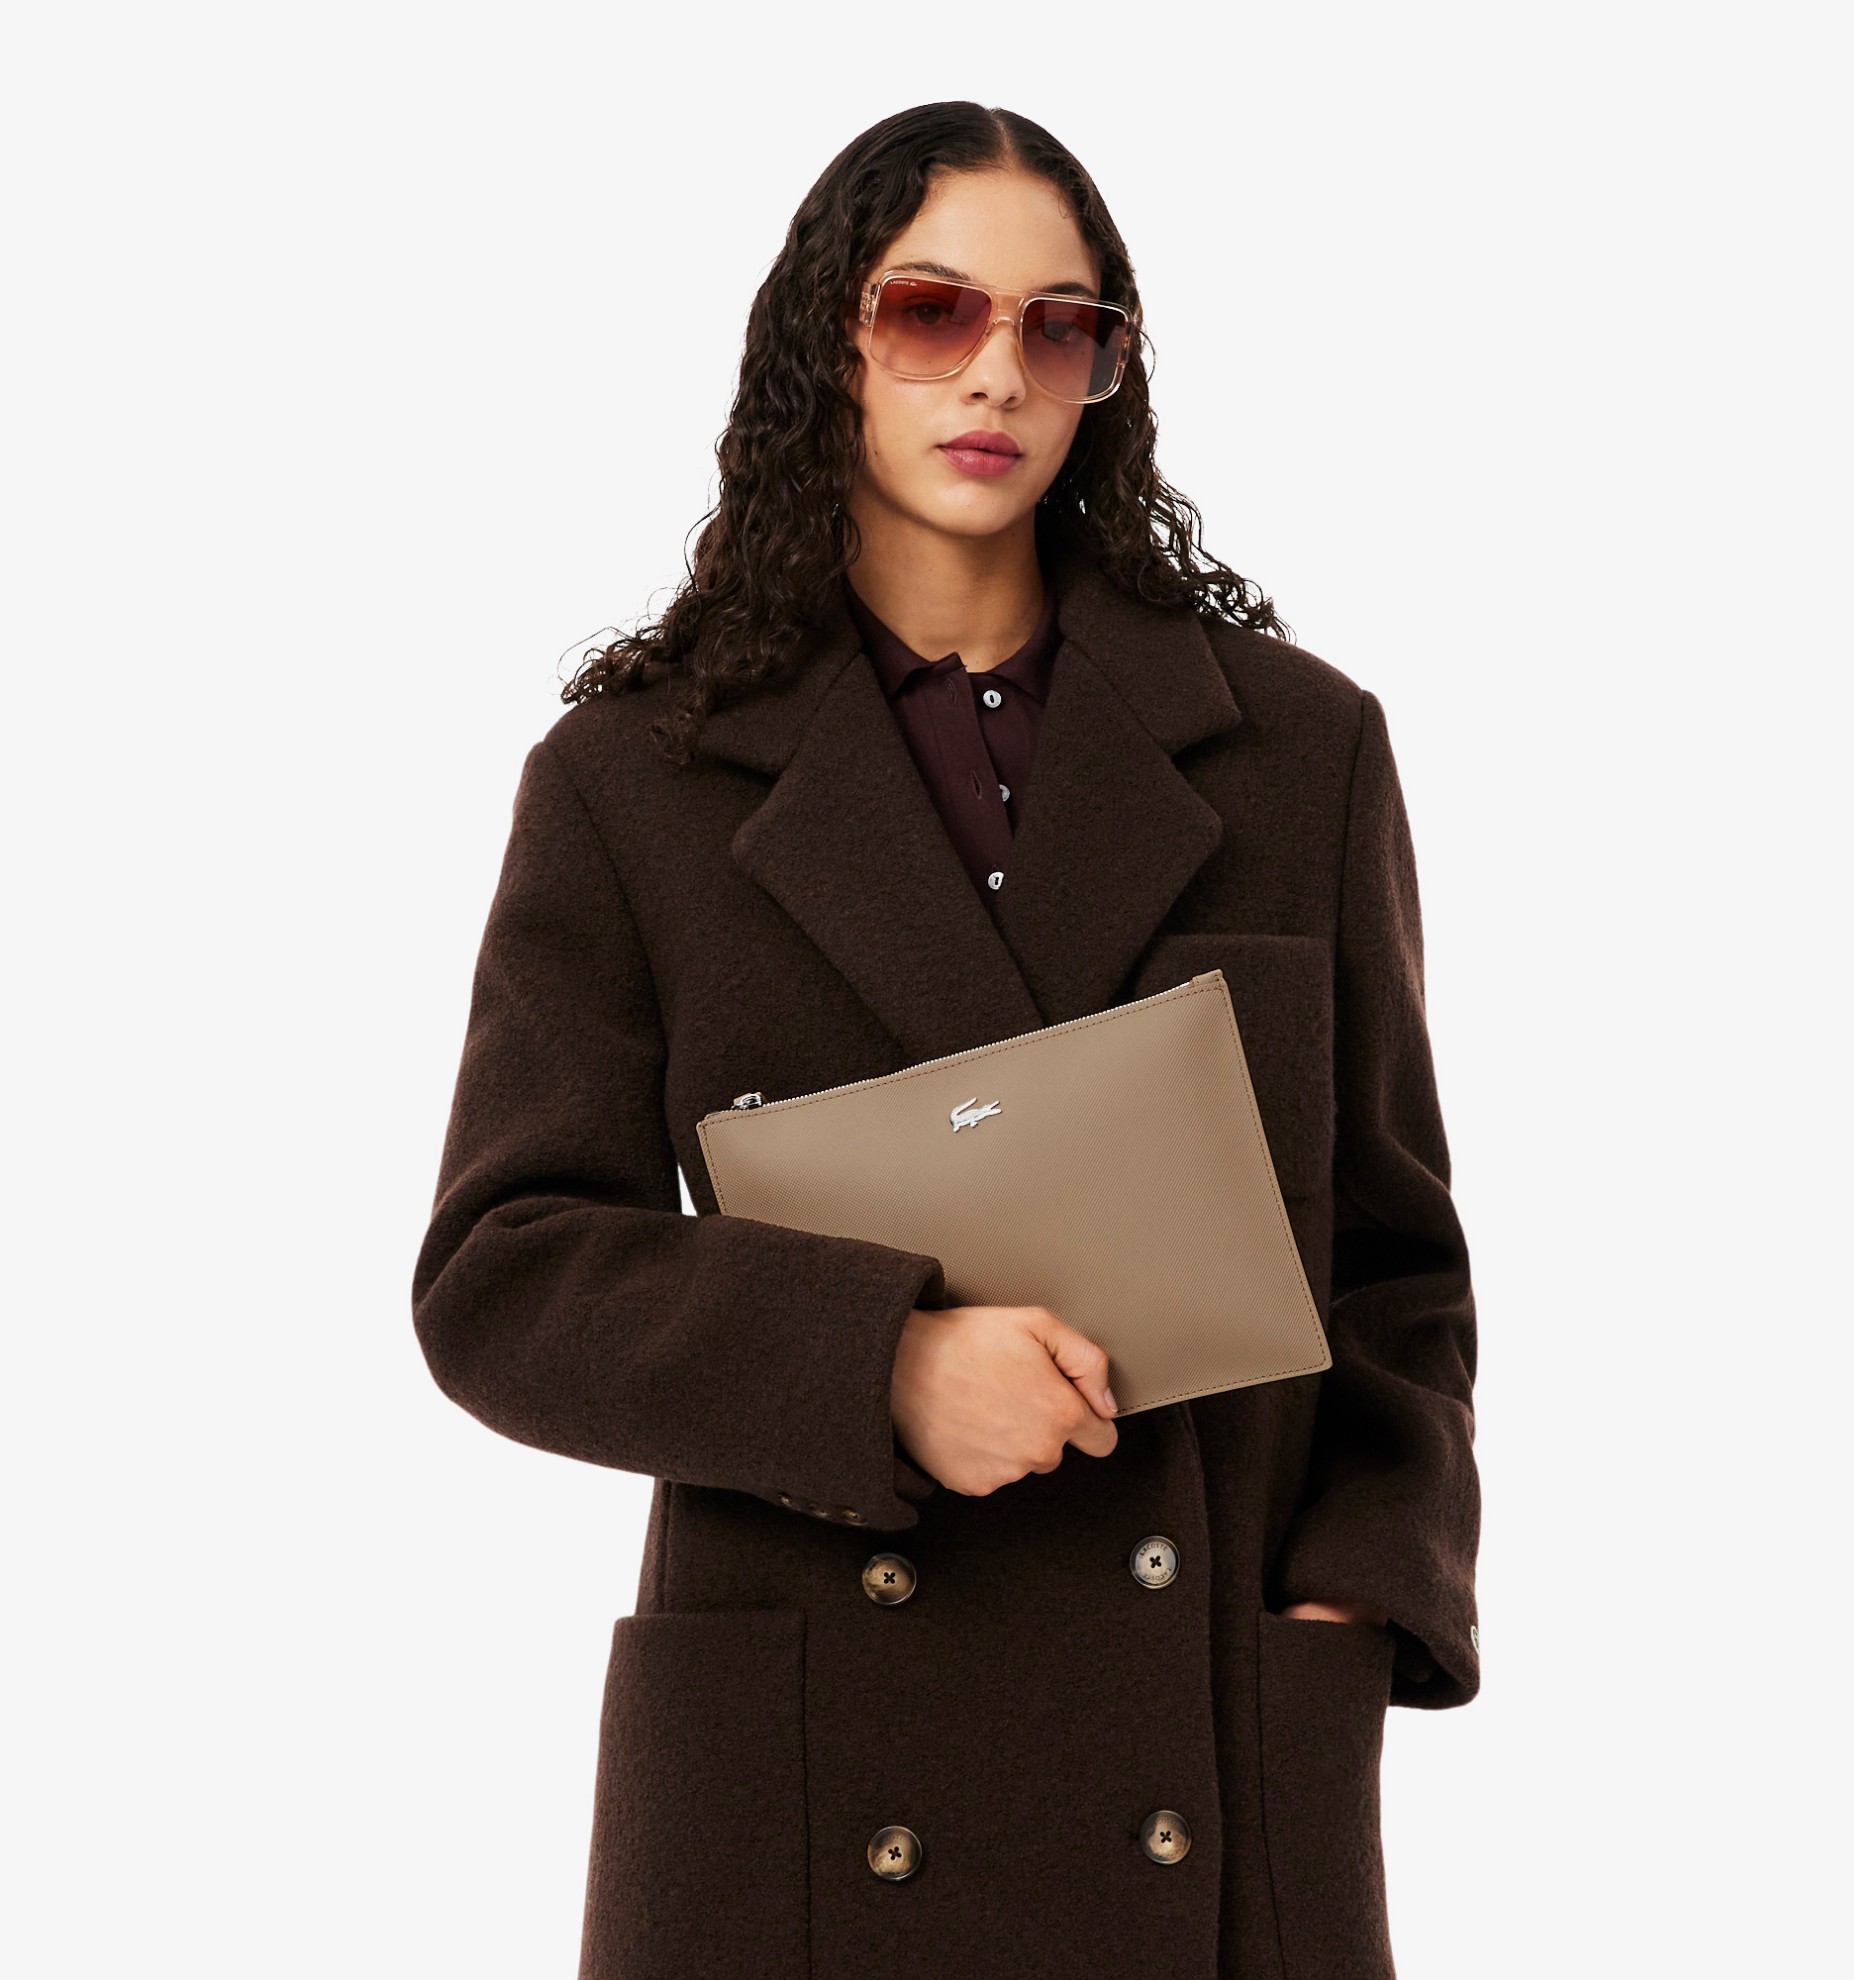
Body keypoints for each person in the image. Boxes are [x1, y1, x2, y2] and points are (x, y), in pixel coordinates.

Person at [413, 99, 1480, 1980]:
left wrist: (1349, 1606)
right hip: (816, 1769)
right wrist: (879, 1367)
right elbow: (504, 1276)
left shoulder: (1297, 751)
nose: (996, 371)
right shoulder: (634, 782)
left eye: (1060, 329)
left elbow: (1399, 1272)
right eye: (932, 311)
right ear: (826, 340)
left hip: (1211, 1757)